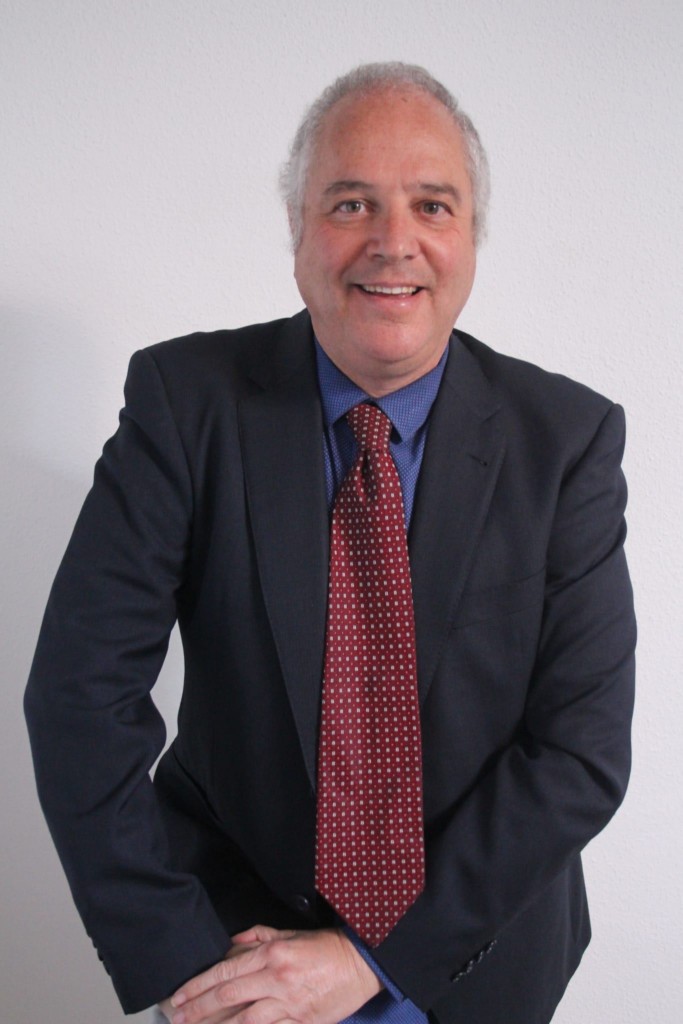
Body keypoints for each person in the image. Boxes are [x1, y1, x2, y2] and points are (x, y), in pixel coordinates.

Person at [24, 62, 636, 1024]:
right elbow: (79, 699)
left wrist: (370, 961)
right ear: (297, 228)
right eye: (351, 203)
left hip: (471, 958)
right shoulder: (187, 405)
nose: (392, 242)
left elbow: (578, 752)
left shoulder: (565, 441)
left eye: (431, 205)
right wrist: (185, 959)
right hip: (231, 949)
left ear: (470, 234)